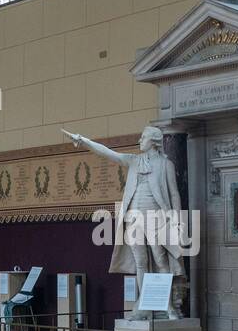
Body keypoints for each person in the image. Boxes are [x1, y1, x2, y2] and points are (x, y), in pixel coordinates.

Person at [61, 125, 188, 318]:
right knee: (140, 263)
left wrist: (178, 220)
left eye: (143, 137)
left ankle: (169, 306)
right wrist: (84, 140)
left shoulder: (165, 165)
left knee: (162, 260)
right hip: (133, 216)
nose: (140, 141)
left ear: (153, 141)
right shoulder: (134, 161)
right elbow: (109, 153)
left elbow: (174, 193)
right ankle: (144, 306)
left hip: (156, 217)